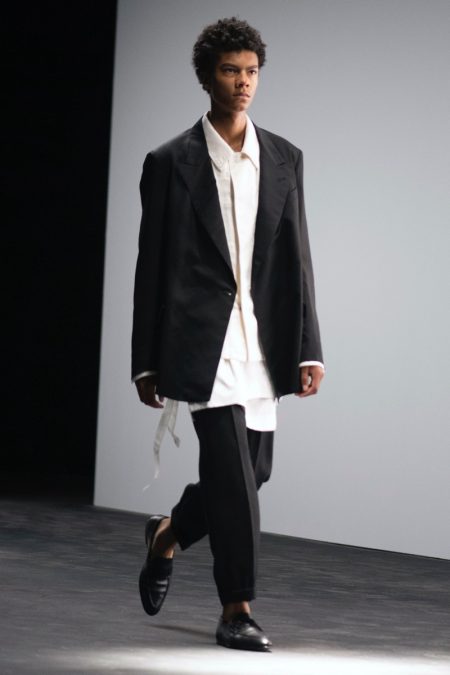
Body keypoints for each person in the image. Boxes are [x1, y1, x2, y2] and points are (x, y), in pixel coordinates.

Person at [132, 17, 324, 652]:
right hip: (201, 342)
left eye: (251, 72)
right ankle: (236, 608)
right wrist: (145, 361)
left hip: (262, 342)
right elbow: (151, 266)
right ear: (206, 77)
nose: (243, 83)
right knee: (233, 479)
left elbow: (298, 259)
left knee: (253, 472)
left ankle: (167, 534)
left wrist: (310, 347)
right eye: (229, 71)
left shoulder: (285, 157)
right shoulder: (170, 163)